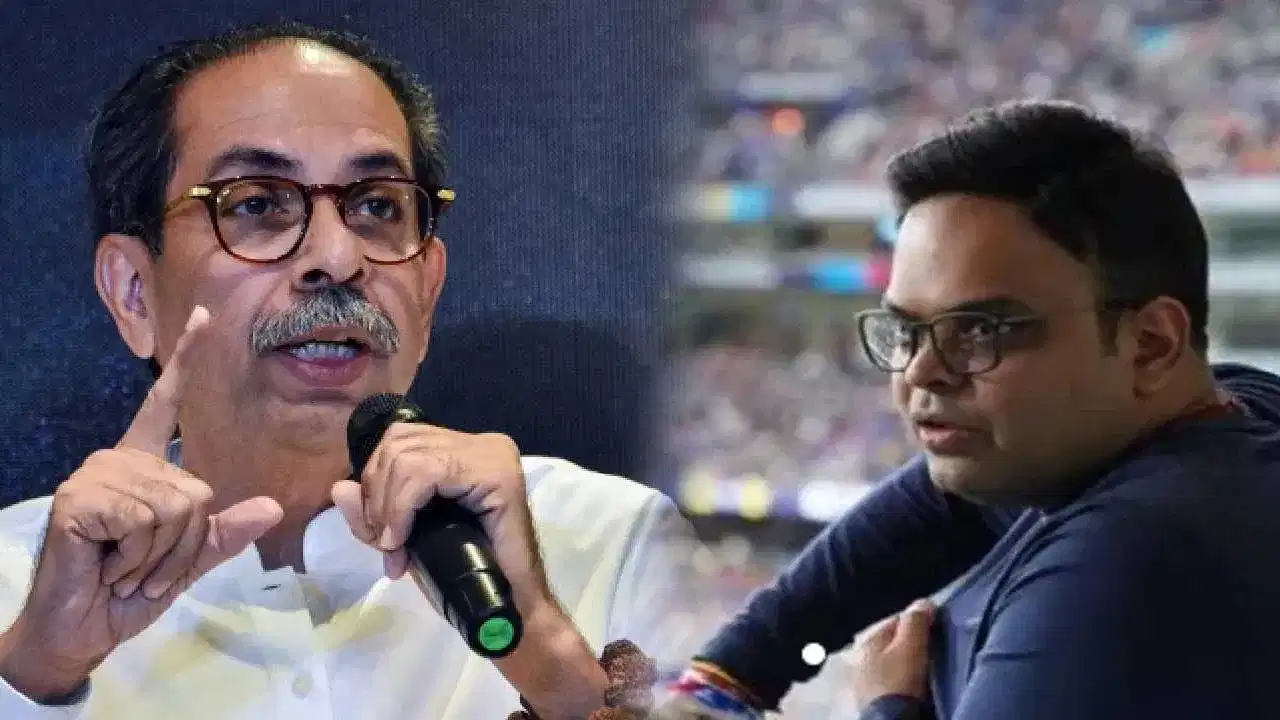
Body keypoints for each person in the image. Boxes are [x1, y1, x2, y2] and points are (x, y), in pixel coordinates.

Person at [0, 22, 697, 720]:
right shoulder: (16, 590)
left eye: (375, 207)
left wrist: (545, 652)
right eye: (256, 204)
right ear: (133, 293)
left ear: (427, 291)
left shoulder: (611, 545)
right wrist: (40, 672)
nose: (337, 258)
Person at [658, 100, 1280, 719]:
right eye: (907, 331)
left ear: (1150, 345)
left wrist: (889, 706)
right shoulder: (1236, 413)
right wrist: (737, 670)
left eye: (982, 330)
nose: (920, 370)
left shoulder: (1128, 561)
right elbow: (943, 505)